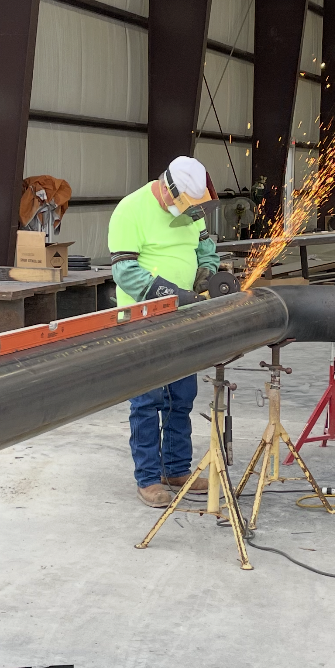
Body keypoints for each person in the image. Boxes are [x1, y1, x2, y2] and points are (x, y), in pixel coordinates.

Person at [106, 159, 241, 504]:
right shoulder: (130, 210)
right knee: (147, 401)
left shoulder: (192, 209)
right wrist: (170, 294)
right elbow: (125, 272)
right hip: (143, 319)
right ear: (168, 189)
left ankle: (176, 468)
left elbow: (206, 250)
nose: (190, 215)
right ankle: (149, 478)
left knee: (181, 397)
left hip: (186, 316)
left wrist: (204, 275)